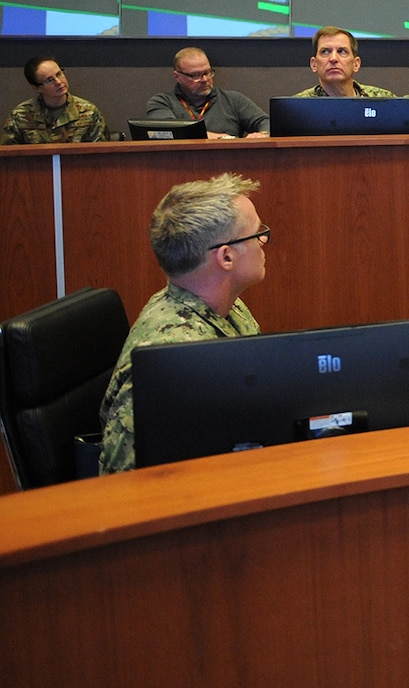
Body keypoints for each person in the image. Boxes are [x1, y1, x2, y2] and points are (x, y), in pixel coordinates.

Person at [99, 173, 268, 473]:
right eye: (257, 234)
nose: (264, 240)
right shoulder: (171, 360)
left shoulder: (227, 307)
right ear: (226, 257)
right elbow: (122, 484)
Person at [145, 47, 270, 139]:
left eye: (207, 73)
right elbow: (170, 132)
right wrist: (222, 139)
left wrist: (262, 134)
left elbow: (266, 122)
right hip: (181, 166)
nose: (205, 80)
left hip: (228, 167)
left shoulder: (233, 100)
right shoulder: (162, 102)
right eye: (196, 75)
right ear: (177, 76)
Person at [3, 56, 107, 144]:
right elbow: (9, 158)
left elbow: (101, 155)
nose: (58, 82)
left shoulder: (89, 112)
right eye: (49, 80)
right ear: (37, 88)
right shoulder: (20, 116)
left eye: (59, 74)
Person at [294, 26, 394, 99]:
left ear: (356, 64)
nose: (333, 59)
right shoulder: (298, 106)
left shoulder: (383, 100)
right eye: (325, 52)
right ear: (314, 64)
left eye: (342, 51)